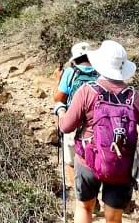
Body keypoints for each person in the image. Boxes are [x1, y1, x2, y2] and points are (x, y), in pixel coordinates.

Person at [56, 40, 139, 223]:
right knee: (113, 217)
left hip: (88, 159)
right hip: (121, 163)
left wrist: (61, 110)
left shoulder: (86, 91)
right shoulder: (134, 96)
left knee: (84, 207)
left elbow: (66, 127)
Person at [54, 41, 100, 188]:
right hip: (96, 124)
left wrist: (57, 80)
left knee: (71, 162)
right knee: (95, 159)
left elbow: (58, 98)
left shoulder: (70, 72)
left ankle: (81, 195)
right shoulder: (101, 72)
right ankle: (94, 198)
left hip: (74, 123)